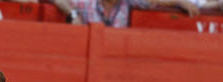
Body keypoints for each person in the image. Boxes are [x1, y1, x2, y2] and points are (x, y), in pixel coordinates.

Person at [52, 0, 199, 26]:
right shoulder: (86, 3)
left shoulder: (128, 2)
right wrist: (73, 14)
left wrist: (180, 2)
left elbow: (155, 1)